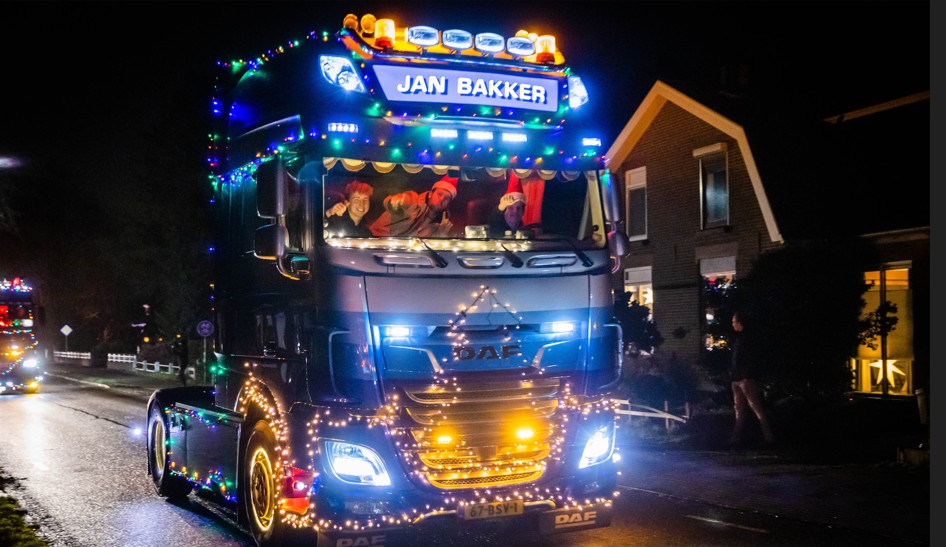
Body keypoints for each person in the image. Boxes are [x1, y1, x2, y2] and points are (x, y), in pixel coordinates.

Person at [728, 311, 775, 447]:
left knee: (755, 407)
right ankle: (736, 437)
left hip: (745, 379)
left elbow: (751, 359)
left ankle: (769, 437)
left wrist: (746, 374)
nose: (732, 324)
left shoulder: (747, 339)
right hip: (737, 378)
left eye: (734, 321)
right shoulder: (739, 339)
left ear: (739, 322)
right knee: (739, 408)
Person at [370, 175, 457, 237]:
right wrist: (394, 201)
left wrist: (442, 233)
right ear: (430, 194)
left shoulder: (440, 224)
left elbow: (432, 249)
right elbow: (393, 201)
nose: (441, 199)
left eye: (447, 198)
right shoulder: (413, 200)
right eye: (439, 194)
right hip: (375, 241)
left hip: (404, 255)